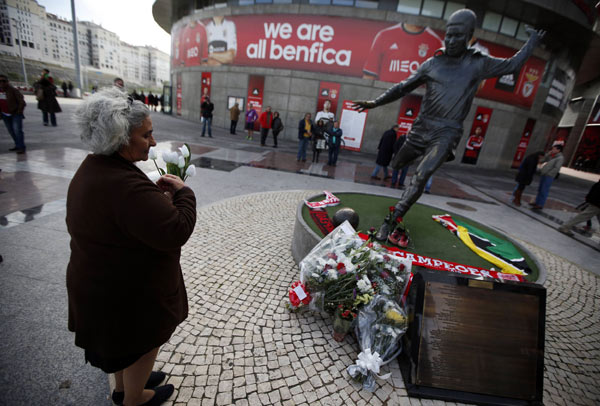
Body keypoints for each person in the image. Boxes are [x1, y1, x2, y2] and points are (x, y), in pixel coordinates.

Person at [352, 9, 544, 247]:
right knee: (397, 164)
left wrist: (532, 42)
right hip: (421, 128)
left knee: (421, 175)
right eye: (449, 36)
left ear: (469, 36)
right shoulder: (433, 63)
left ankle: (390, 222)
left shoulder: (477, 63)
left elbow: (512, 65)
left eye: (458, 36)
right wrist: (374, 102)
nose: (451, 41)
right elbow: (402, 87)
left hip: (447, 132)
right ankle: (404, 170)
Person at [67, 88, 196, 406]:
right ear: (121, 138)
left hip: (104, 288)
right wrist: (184, 194)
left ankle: (124, 386)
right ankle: (135, 398)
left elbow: (126, 216)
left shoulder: (96, 169)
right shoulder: (123, 185)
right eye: (146, 135)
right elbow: (176, 230)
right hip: (128, 297)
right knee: (142, 342)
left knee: (122, 345)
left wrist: (150, 203)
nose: (153, 142)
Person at [530, 144, 564, 210]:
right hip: (544, 174)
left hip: (549, 176)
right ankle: (537, 202)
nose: (552, 150)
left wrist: (549, 173)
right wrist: (548, 154)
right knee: (540, 189)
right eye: (552, 149)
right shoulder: (552, 156)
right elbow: (542, 160)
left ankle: (540, 204)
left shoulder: (560, 158)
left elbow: (556, 168)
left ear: (558, 150)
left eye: (554, 149)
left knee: (544, 190)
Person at [0, 74, 27, 154]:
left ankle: (21, 147)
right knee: (11, 131)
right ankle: (17, 145)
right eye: (0, 81)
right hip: (5, 114)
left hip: (15, 114)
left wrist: (19, 111)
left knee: (18, 131)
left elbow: (22, 102)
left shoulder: (13, 90)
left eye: (3, 81)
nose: (1, 83)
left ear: (7, 82)